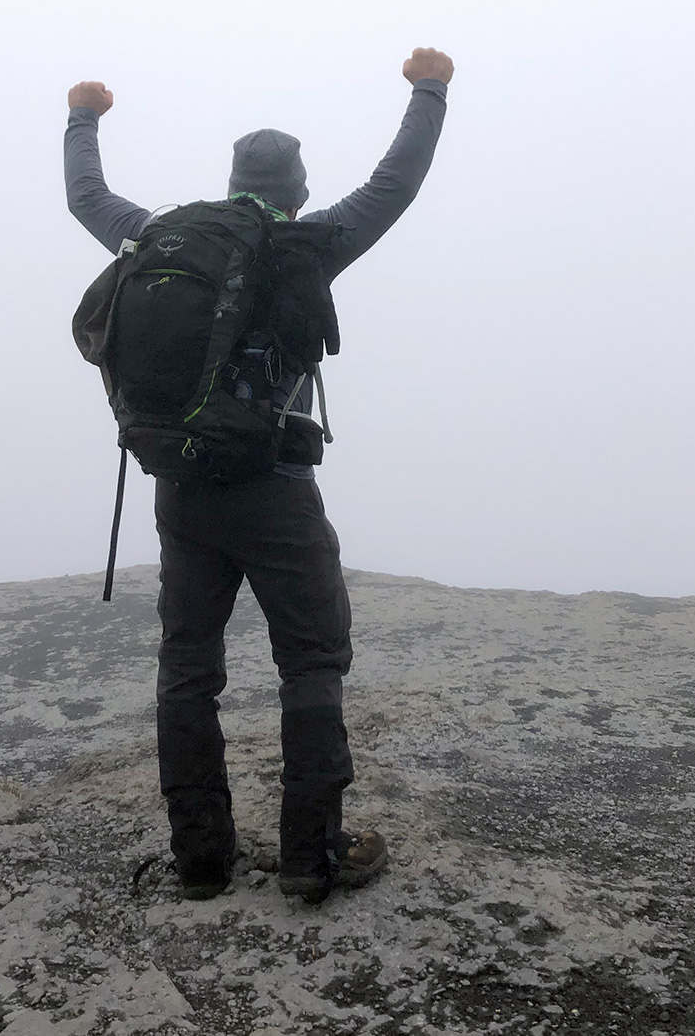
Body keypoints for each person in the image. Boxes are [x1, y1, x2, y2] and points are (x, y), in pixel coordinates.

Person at [64, 47, 453, 901]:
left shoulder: (159, 234)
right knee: (312, 658)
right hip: (273, 489)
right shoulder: (304, 243)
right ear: (299, 189)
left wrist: (83, 116)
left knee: (188, 666)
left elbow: (85, 198)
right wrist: (430, 89)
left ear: (232, 177)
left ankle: (201, 859)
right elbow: (397, 182)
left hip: (181, 489)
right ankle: (312, 858)